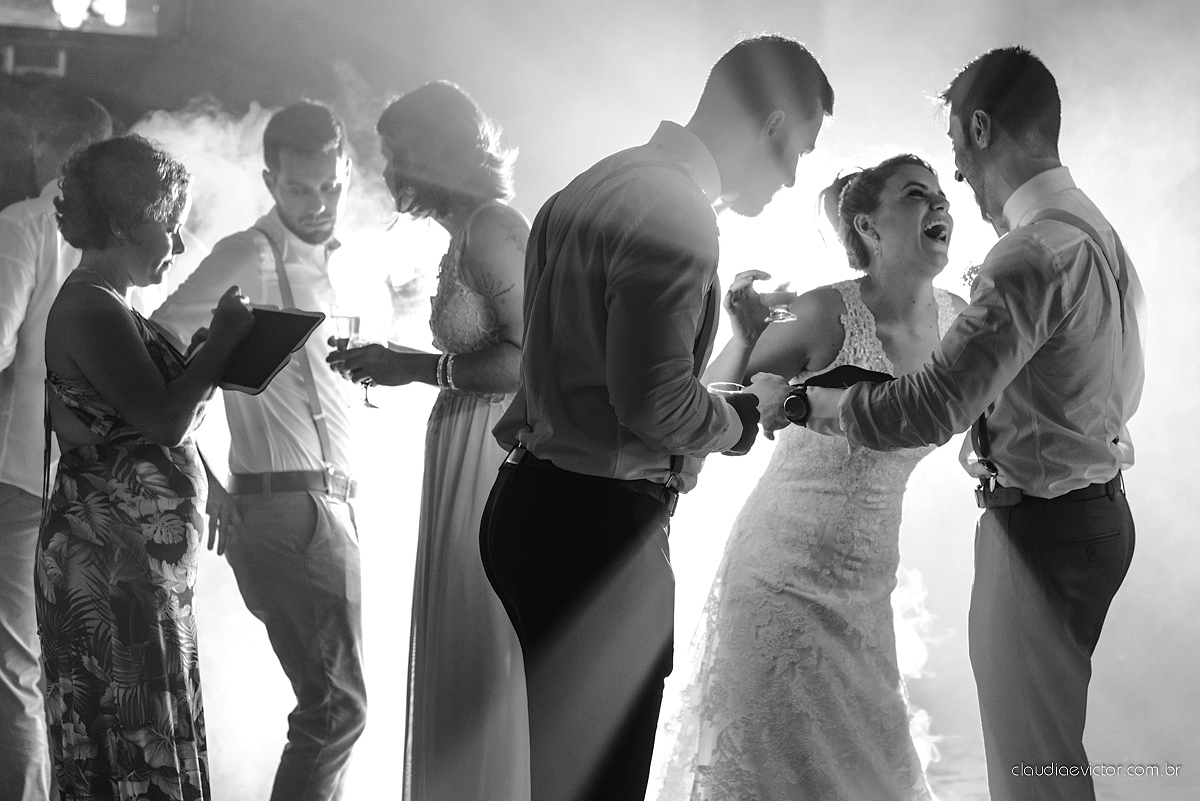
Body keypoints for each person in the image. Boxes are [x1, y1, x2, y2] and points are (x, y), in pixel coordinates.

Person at [757, 47, 1145, 801]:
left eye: (954, 159)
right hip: (1099, 512)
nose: (957, 183)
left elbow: (933, 406)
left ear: (980, 127)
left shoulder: (1026, 255)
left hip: (1042, 532)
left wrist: (811, 402)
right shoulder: (1094, 228)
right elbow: (1124, 380)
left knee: (1032, 767)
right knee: (1049, 752)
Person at [479, 34, 834, 801]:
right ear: (773, 126)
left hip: (532, 507)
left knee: (565, 781)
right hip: (593, 533)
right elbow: (652, 401)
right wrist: (747, 414)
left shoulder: (589, 184)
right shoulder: (676, 212)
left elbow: (597, 378)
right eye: (802, 149)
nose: (795, 175)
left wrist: (732, 344)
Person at [657, 155, 966, 801]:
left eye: (942, 194)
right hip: (777, 573)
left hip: (865, 586)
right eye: (918, 194)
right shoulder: (824, 309)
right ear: (869, 227)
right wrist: (746, 335)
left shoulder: (962, 320)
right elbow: (711, 397)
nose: (941, 204)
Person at [150, 101, 368, 801]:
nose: (319, 204)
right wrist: (200, 469)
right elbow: (149, 349)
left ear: (347, 171)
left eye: (331, 185)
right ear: (272, 181)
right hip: (285, 511)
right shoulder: (249, 252)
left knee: (334, 711)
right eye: (300, 189)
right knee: (335, 712)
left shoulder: (340, 259)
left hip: (327, 506)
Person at [326, 81, 531, 801]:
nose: (388, 174)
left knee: (482, 649)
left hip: (493, 454)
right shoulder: (462, 234)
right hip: (460, 446)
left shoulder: (494, 226)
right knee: (456, 646)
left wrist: (412, 365)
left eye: (397, 155)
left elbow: (532, 355)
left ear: (438, 151)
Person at [36, 135, 254, 800]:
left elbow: (156, 416)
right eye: (171, 224)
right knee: (127, 743)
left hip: (135, 571)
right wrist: (220, 348)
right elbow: (163, 422)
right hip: (110, 573)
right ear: (128, 220)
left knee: (143, 740)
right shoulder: (90, 306)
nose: (179, 245)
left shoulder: (111, 302)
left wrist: (207, 360)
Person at [0, 87, 111, 801]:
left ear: (44, 143)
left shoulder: (25, 224)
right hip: (93, 485)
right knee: (73, 669)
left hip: (18, 479)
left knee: (14, 669)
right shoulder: (114, 243)